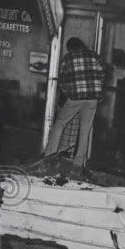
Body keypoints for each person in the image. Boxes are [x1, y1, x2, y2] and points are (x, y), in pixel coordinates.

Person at [44, 37, 107, 167]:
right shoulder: (94, 55)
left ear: (70, 48)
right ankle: (78, 164)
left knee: (60, 124)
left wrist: (68, 93)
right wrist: (97, 90)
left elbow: (62, 79)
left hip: (75, 97)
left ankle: (50, 157)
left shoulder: (68, 57)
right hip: (92, 98)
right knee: (85, 130)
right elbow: (103, 73)